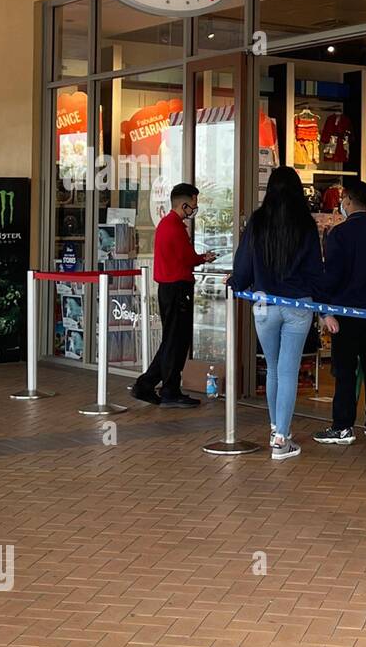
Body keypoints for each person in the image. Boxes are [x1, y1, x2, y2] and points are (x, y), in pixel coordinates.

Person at [229, 166, 326, 461]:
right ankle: (281, 437)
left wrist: (235, 283)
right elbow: (315, 271)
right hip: (298, 304)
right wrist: (322, 307)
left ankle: (276, 429)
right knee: (287, 371)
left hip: (262, 303)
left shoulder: (258, 222)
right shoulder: (306, 225)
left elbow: (243, 265)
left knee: (272, 368)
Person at [315, 179, 366, 446]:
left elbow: (331, 275)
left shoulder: (339, 234)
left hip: (345, 311)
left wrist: (324, 308)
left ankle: (343, 425)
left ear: (346, 200)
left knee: (345, 368)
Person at [131, 183, 217, 408]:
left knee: (172, 340)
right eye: (194, 204)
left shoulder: (166, 224)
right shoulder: (175, 226)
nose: (195, 209)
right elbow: (186, 258)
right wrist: (202, 258)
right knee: (176, 342)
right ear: (184, 204)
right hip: (177, 289)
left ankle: (149, 385)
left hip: (169, 289)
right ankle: (167, 389)